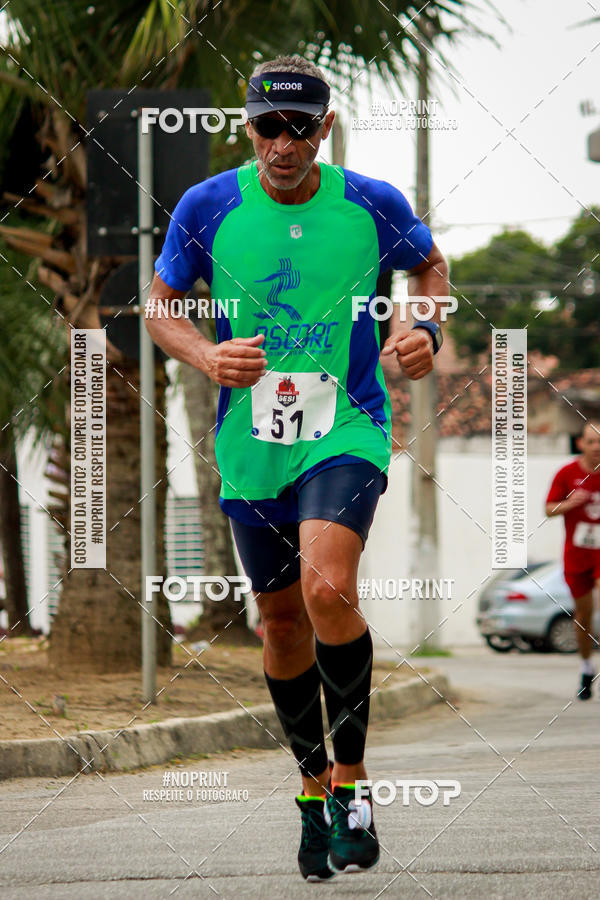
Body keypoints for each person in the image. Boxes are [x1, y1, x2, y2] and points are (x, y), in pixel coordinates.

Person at [145, 54, 448, 881]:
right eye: (270, 126)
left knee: (327, 588)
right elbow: (160, 304)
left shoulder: (371, 203)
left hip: (345, 425)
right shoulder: (208, 207)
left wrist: (424, 330)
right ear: (248, 127)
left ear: (325, 127)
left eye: (301, 127)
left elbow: (429, 266)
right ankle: (310, 791)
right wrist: (207, 355)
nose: (285, 143)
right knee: (279, 623)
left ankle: (353, 785)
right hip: (251, 442)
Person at [546, 421, 600, 700]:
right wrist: (570, 503)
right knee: (584, 614)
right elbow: (549, 509)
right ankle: (586, 666)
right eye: (591, 441)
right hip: (577, 553)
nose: (596, 447)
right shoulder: (567, 474)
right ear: (581, 443)